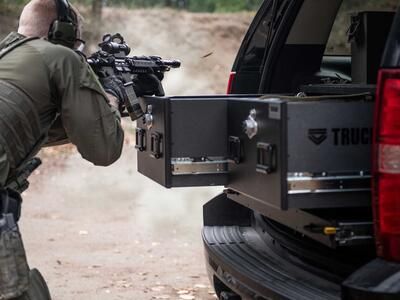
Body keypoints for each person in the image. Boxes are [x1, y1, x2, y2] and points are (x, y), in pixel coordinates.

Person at [0, 0, 162, 299]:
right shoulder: (62, 57)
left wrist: (95, 107)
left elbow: (32, 129)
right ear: (59, 31)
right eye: (77, 42)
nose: (78, 50)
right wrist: (111, 97)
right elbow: (104, 150)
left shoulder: (8, 59)